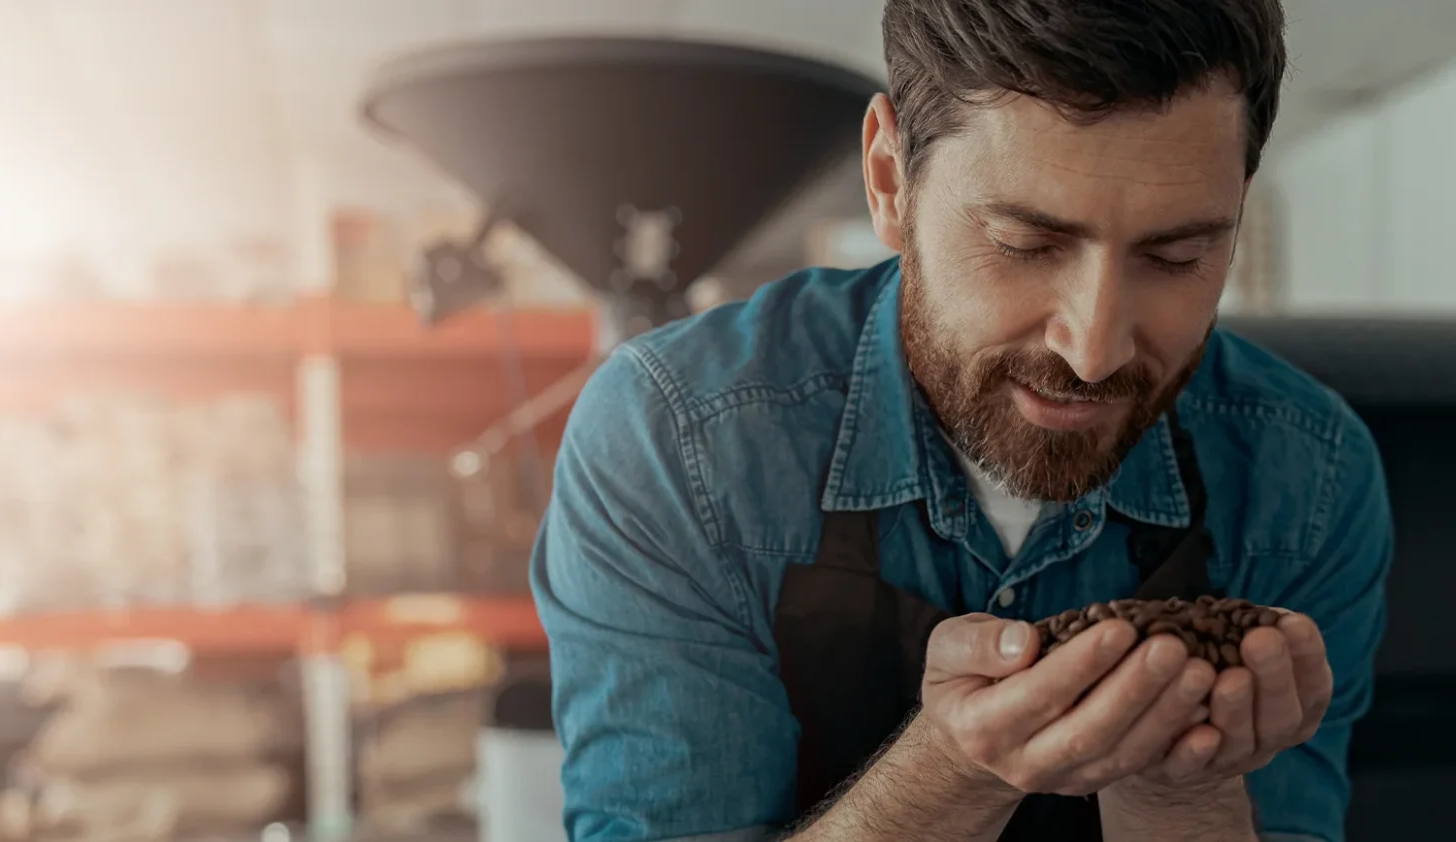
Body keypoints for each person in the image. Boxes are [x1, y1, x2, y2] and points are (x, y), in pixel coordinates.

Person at [532, 0, 1392, 840]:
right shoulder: (678, 441)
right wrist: (953, 774)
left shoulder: (1307, 478)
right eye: (1025, 245)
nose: (1093, 350)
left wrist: (1183, 797)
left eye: (1177, 256)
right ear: (889, 179)